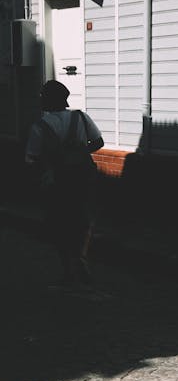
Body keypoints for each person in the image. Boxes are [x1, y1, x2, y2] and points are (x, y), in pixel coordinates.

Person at [25, 80, 104, 288]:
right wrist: (79, 153)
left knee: (58, 221)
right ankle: (81, 256)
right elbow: (98, 142)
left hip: (57, 180)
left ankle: (68, 269)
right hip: (83, 177)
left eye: (43, 96)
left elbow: (32, 158)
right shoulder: (81, 117)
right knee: (84, 217)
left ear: (49, 99)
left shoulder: (40, 126)